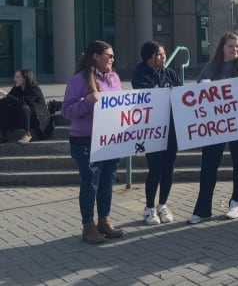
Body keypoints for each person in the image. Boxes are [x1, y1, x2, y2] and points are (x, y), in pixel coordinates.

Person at [188, 32, 238, 224]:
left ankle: (237, 203)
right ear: (222, 48)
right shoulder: (211, 67)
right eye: (231, 46)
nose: (235, 49)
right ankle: (202, 209)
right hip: (216, 125)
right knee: (209, 165)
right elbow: (197, 93)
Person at [62, 40, 124, 244]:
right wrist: (87, 101)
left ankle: (104, 220)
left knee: (107, 182)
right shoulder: (78, 80)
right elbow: (67, 111)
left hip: (110, 140)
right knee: (90, 184)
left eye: (113, 56)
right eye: (109, 55)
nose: (112, 59)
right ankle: (87, 226)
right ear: (96, 57)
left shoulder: (114, 78)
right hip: (85, 141)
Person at [132, 41, 182, 225]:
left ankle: (163, 205)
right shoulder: (140, 73)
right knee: (155, 169)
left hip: (171, 128)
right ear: (149, 57)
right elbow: (145, 94)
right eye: (159, 54)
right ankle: (149, 208)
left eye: (164, 53)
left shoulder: (170, 73)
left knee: (169, 167)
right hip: (152, 129)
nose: (163, 57)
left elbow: (180, 94)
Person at [0, 69, 49, 144]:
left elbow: (23, 102)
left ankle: (27, 134)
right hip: (21, 117)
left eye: (17, 77)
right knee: (3, 103)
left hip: (36, 118)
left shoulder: (34, 89)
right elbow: (9, 99)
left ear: (25, 78)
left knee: (24, 108)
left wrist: (5, 94)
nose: (14, 79)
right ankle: (3, 134)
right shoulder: (16, 88)